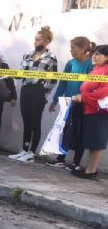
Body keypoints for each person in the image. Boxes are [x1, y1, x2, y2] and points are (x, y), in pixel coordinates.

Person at [9, 26, 59, 163]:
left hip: (39, 91)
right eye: (35, 40)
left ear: (46, 41)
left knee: (35, 122)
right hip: (26, 89)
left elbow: (53, 79)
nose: (35, 43)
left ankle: (32, 152)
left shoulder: (51, 58)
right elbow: (20, 73)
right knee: (26, 121)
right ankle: (24, 149)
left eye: (38, 40)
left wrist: (44, 93)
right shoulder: (27, 55)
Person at [46, 36, 93, 169]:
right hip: (68, 102)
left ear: (83, 49)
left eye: (73, 48)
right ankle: (60, 158)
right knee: (65, 130)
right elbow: (63, 83)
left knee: (79, 131)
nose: (71, 50)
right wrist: (55, 100)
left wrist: (84, 98)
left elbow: (91, 85)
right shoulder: (70, 63)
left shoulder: (90, 65)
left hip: (82, 103)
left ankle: (76, 162)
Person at [70, 44, 108, 179]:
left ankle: (91, 171)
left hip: (100, 110)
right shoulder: (96, 70)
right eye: (94, 53)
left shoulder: (106, 70)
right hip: (88, 108)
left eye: (98, 54)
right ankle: (89, 169)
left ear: (107, 57)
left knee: (97, 141)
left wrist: (84, 97)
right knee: (92, 140)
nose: (94, 56)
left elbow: (104, 91)